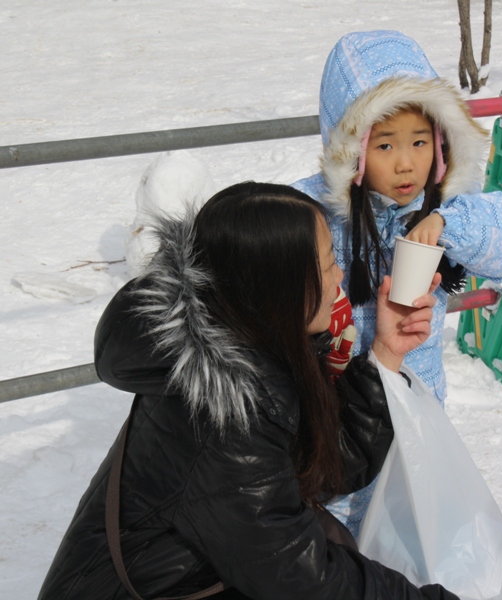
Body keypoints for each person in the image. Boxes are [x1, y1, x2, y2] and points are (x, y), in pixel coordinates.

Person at [37, 182, 457, 600]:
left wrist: (385, 353)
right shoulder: (224, 414)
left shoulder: (248, 340)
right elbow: (303, 578)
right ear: (280, 285)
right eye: (329, 263)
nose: (339, 277)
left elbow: (328, 467)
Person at [292, 30, 502, 537]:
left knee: (410, 542)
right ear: (351, 150)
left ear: (440, 142)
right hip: (337, 426)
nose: (406, 163)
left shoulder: (445, 208)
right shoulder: (314, 214)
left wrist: (448, 224)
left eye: (419, 142)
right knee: (342, 548)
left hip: (417, 424)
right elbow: (256, 248)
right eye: (385, 145)